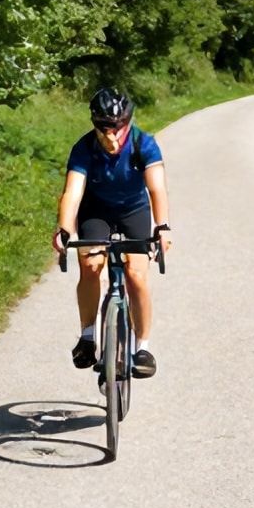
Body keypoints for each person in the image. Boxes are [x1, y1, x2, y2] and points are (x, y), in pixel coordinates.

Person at [53, 87, 173, 378]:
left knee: (136, 275)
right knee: (92, 266)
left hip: (134, 209)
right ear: (95, 124)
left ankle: (142, 347)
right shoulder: (84, 148)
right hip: (97, 209)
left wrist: (162, 226)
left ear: (128, 122)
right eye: (105, 128)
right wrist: (65, 227)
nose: (112, 134)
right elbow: (73, 192)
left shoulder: (143, 143)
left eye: (119, 127)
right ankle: (88, 336)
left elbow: (156, 188)